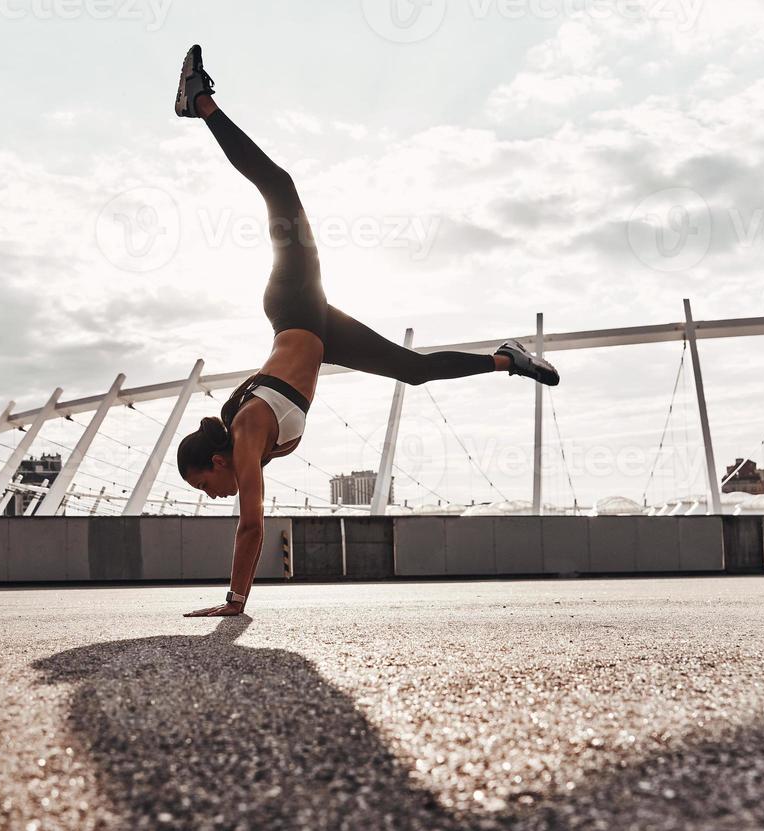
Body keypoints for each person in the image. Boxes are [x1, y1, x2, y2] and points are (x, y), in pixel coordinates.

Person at [174, 45, 559, 618]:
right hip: (323, 330)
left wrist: (234, 603)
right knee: (416, 370)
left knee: (281, 189)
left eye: (207, 487)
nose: (215, 497)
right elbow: (249, 509)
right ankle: (507, 358)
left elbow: (251, 525)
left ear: (218, 461)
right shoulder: (250, 443)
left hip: (297, 307)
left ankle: (198, 103)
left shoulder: (249, 432)